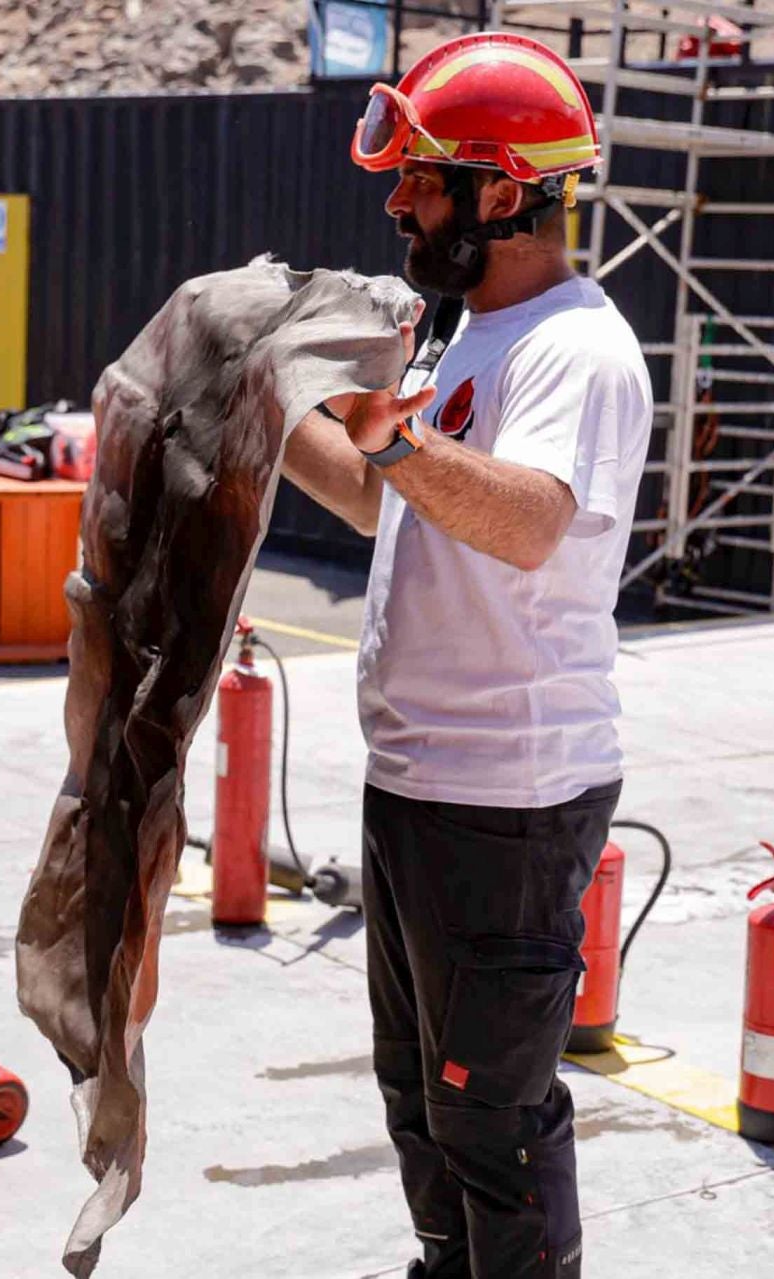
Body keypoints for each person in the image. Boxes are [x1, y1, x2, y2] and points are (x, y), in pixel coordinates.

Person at [280, 31, 654, 1279]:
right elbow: (400, 498)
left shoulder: (574, 347)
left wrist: (394, 440)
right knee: (419, 1100)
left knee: (492, 1118)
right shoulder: (471, 334)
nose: (398, 201)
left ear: (504, 192)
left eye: (423, 179)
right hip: (418, 789)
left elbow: (530, 517)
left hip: (511, 801)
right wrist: (271, 414)